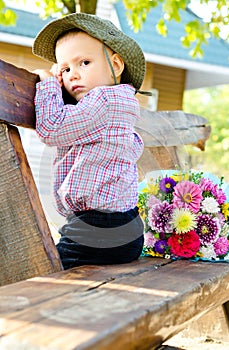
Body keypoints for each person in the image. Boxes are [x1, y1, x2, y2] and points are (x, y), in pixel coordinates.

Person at [32, 12, 146, 270]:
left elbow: (51, 128)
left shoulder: (103, 101)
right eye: (65, 69)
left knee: (43, 269)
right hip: (125, 229)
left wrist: (49, 84)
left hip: (97, 230)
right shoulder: (120, 103)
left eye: (84, 62)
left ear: (116, 66)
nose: (73, 75)